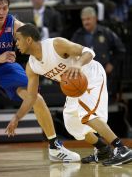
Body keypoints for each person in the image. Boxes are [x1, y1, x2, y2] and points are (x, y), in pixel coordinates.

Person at [14, 23, 132, 166]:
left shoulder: (55, 45)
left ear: (28, 40)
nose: (16, 44)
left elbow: (88, 52)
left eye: (18, 39)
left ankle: (121, 148)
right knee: (73, 125)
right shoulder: (31, 66)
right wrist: (17, 117)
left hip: (89, 74)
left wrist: (77, 65)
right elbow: (32, 97)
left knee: (87, 115)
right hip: (74, 86)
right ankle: (103, 149)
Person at [0, 0, 80, 162]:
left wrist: (54, 60)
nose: (2, 12)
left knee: (35, 96)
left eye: (5, 8)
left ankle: (54, 146)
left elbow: (35, 41)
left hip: (6, 67)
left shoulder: (13, 24)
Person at [71, 7, 126, 100]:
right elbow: (71, 54)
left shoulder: (106, 32)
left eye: (88, 19)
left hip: (104, 75)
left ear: (95, 18)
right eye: (83, 20)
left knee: (102, 100)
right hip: (84, 77)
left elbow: (120, 50)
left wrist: (112, 64)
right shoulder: (77, 35)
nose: (86, 22)